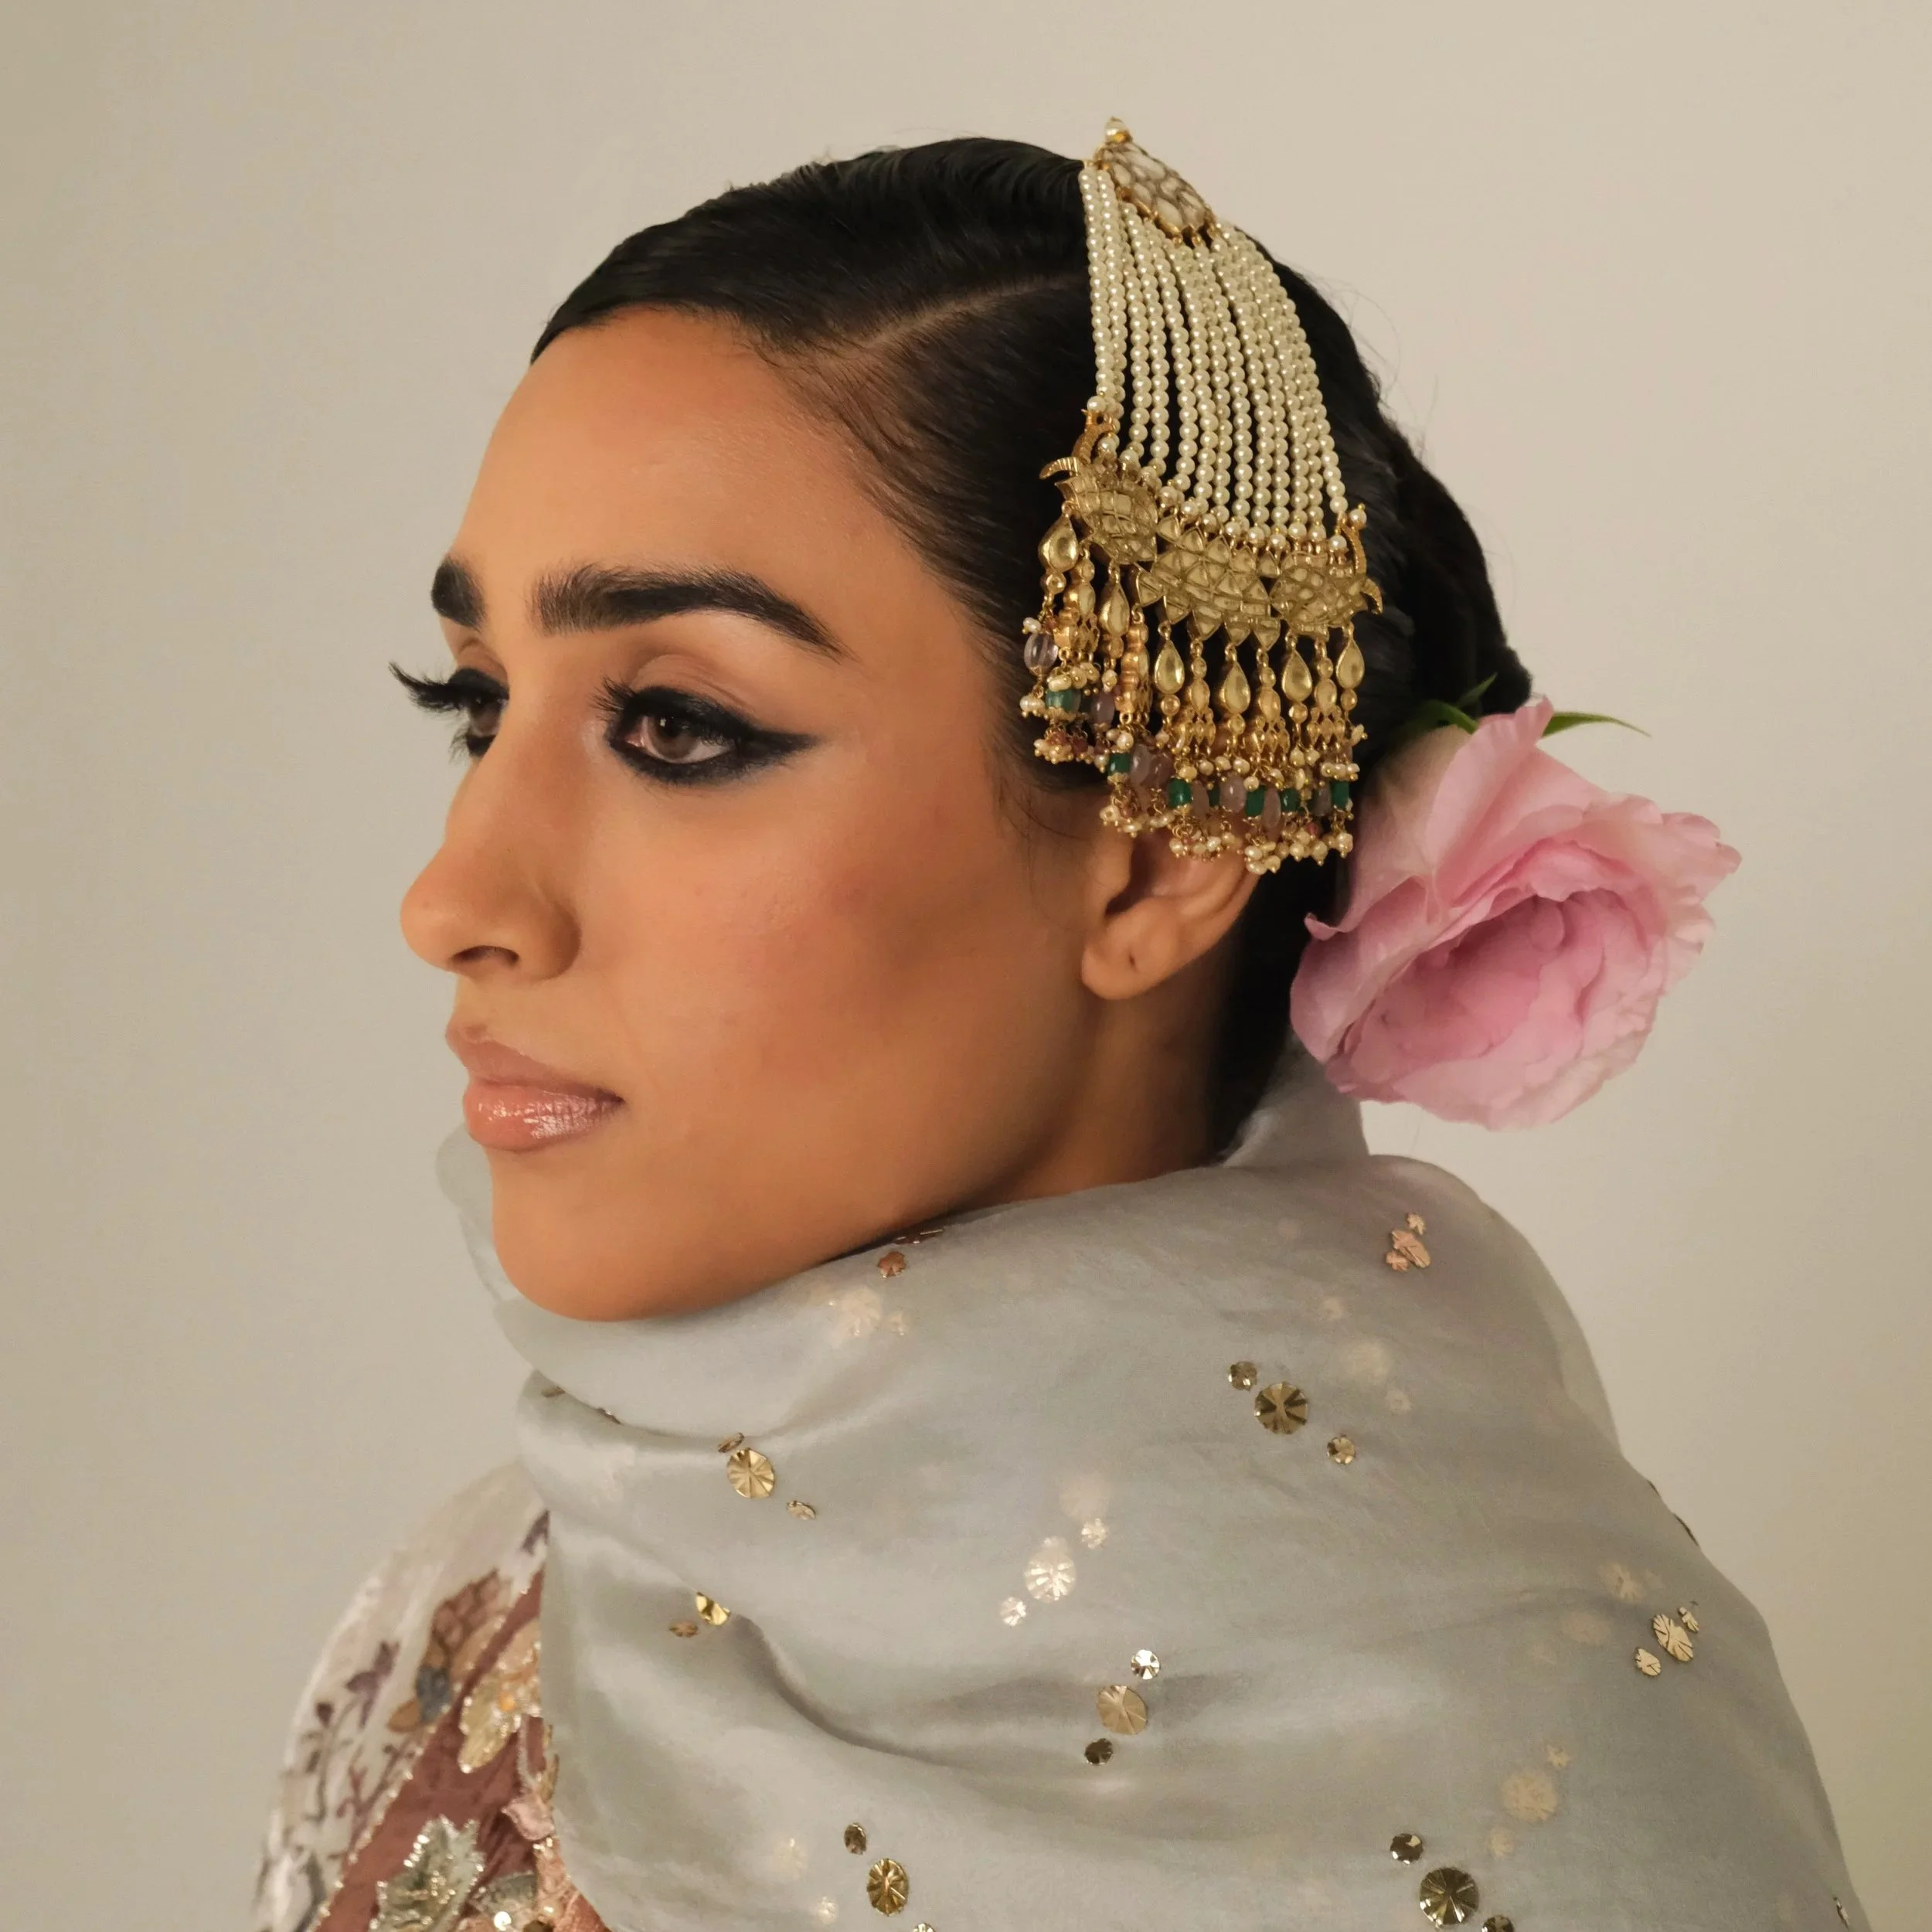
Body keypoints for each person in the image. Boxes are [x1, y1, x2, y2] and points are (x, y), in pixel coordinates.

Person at [252, 128, 1863, 1932]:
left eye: (680, 725)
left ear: (1155, 856)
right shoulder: (482, 1606)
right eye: (477, 705)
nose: (451, 897)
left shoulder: (1556, 1780)